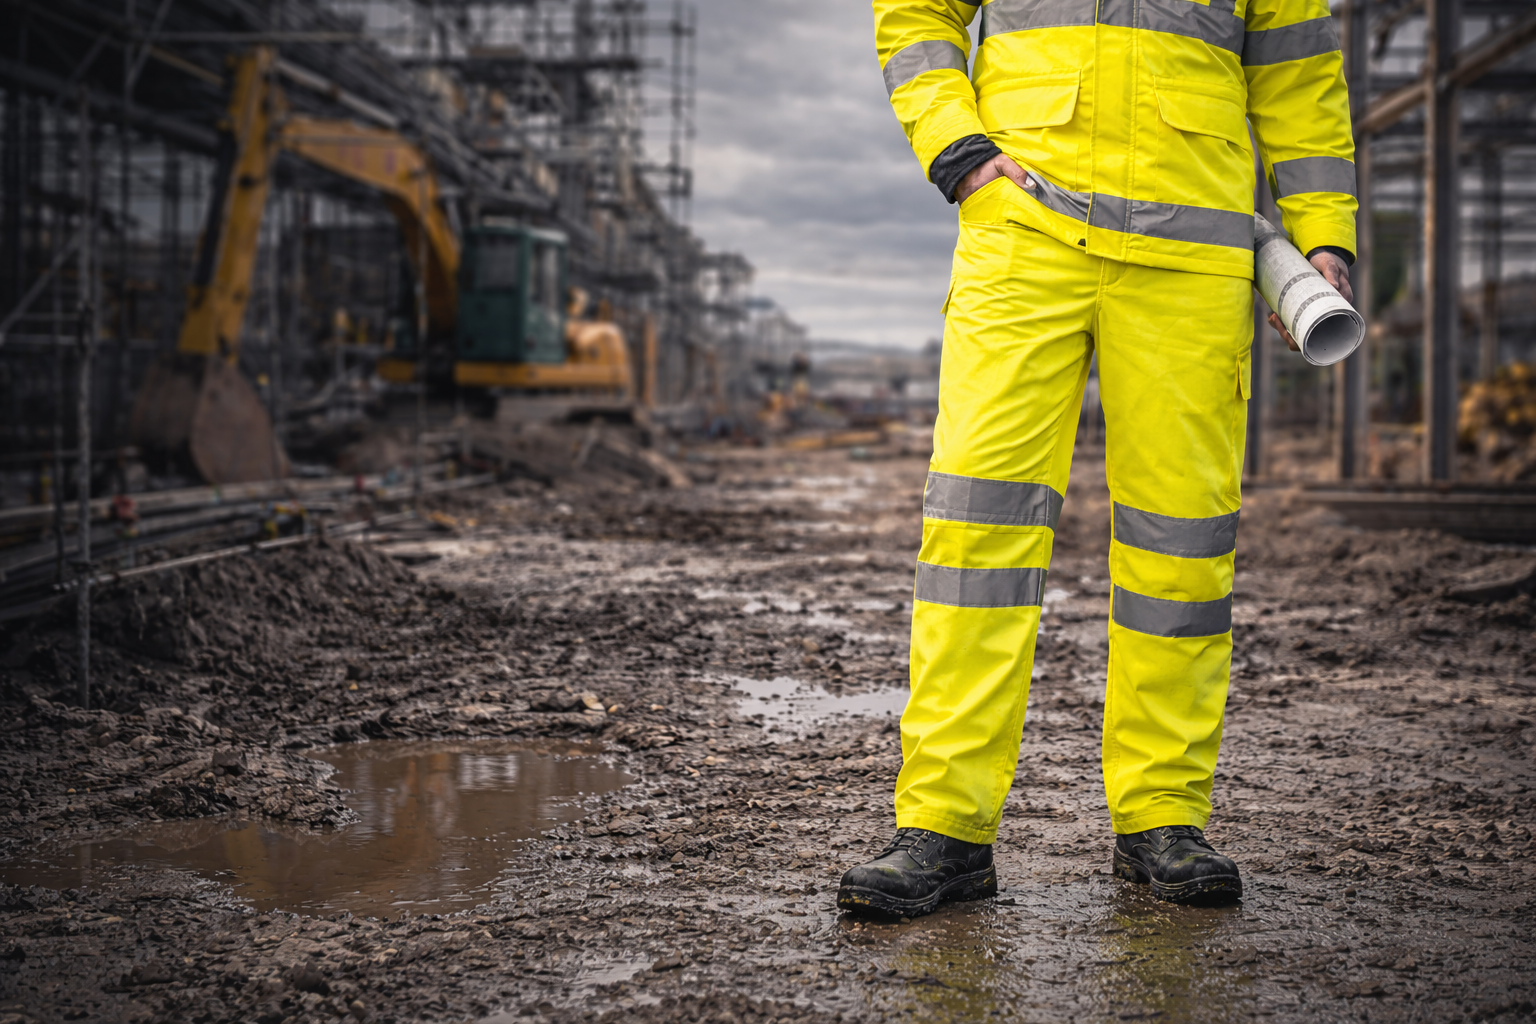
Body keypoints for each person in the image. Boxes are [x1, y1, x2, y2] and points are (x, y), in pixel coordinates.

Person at [839, 0, 1356, 917]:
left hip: (1191, 260)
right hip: (1024, 235)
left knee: (1180, 550)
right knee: (975, 538)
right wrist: (958, 151)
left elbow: (1299, 74)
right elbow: (916, 15)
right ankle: (946, 829)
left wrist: (1322, 233)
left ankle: (1164, 816)